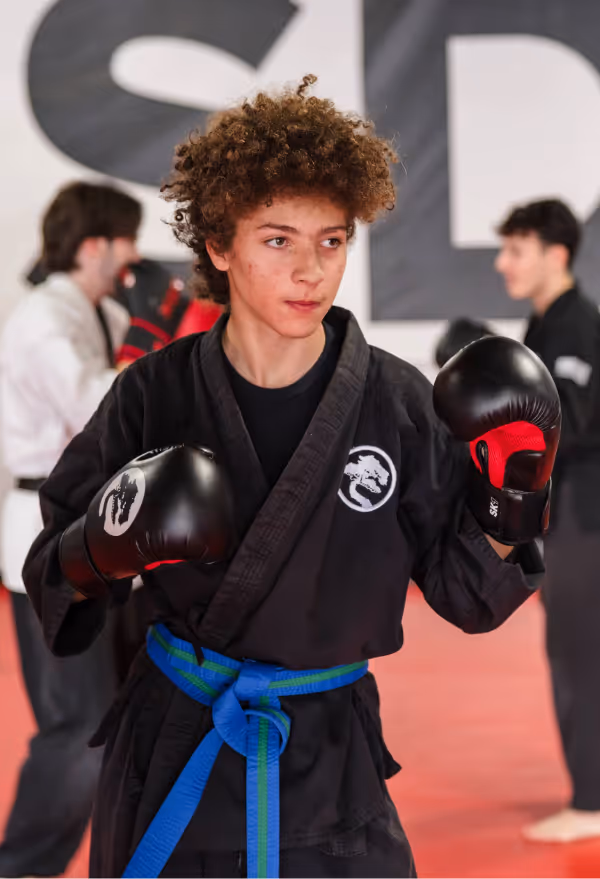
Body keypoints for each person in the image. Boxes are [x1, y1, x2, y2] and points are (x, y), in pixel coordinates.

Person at [23, 76, 558, 879]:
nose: (310, 269)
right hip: (177, 753)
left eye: (332, 240)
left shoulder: (397, 402)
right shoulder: (154, 394)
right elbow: (50, 579)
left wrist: (518, 492)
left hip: (331, 766)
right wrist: (99, 547)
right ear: (219, 247)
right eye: (278, 239)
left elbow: (471, 596)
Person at [0, 180, 141, 877]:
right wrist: (155, 347)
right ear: (96, 246)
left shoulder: (101, 311)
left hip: (109, 533)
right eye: (127, 241)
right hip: (47, 541)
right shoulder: (41, 321)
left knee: (133, 716)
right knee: (77, 729)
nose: (136, 257)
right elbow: (101, 407)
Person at [496, 198, 600, 843]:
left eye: (516, 249)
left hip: (589, 520)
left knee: (579, 654)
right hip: (569, 519)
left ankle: (592, 803)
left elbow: (574, 423)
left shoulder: (575, 327)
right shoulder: (544, 326)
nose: (504, 263)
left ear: (555, 254)